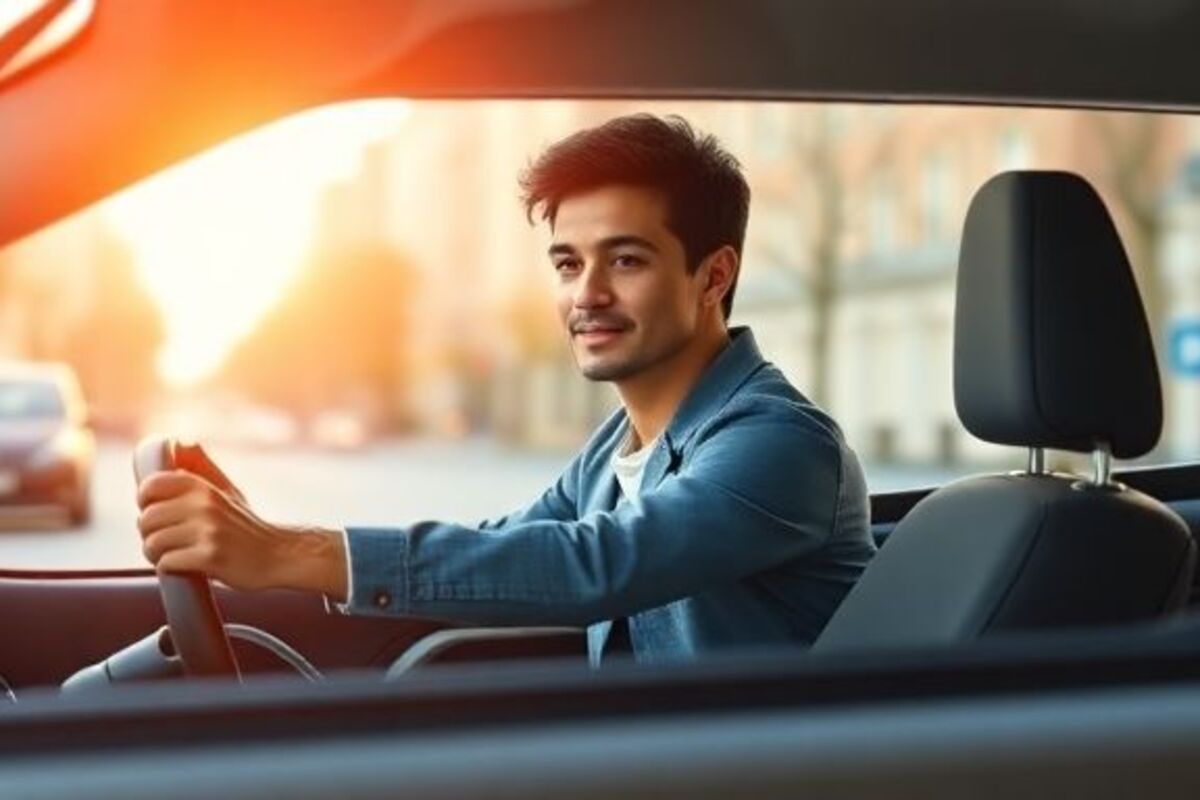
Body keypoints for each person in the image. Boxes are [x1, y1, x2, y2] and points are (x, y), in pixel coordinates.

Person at [137, 114, 876, 666]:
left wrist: (287, 554)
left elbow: (593, 564)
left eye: (625, 260)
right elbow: (506, 548)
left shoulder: (781, 443)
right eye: (567, 264)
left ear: (713, 276)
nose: (586, 295)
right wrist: (271, 535)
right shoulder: (614, 450)